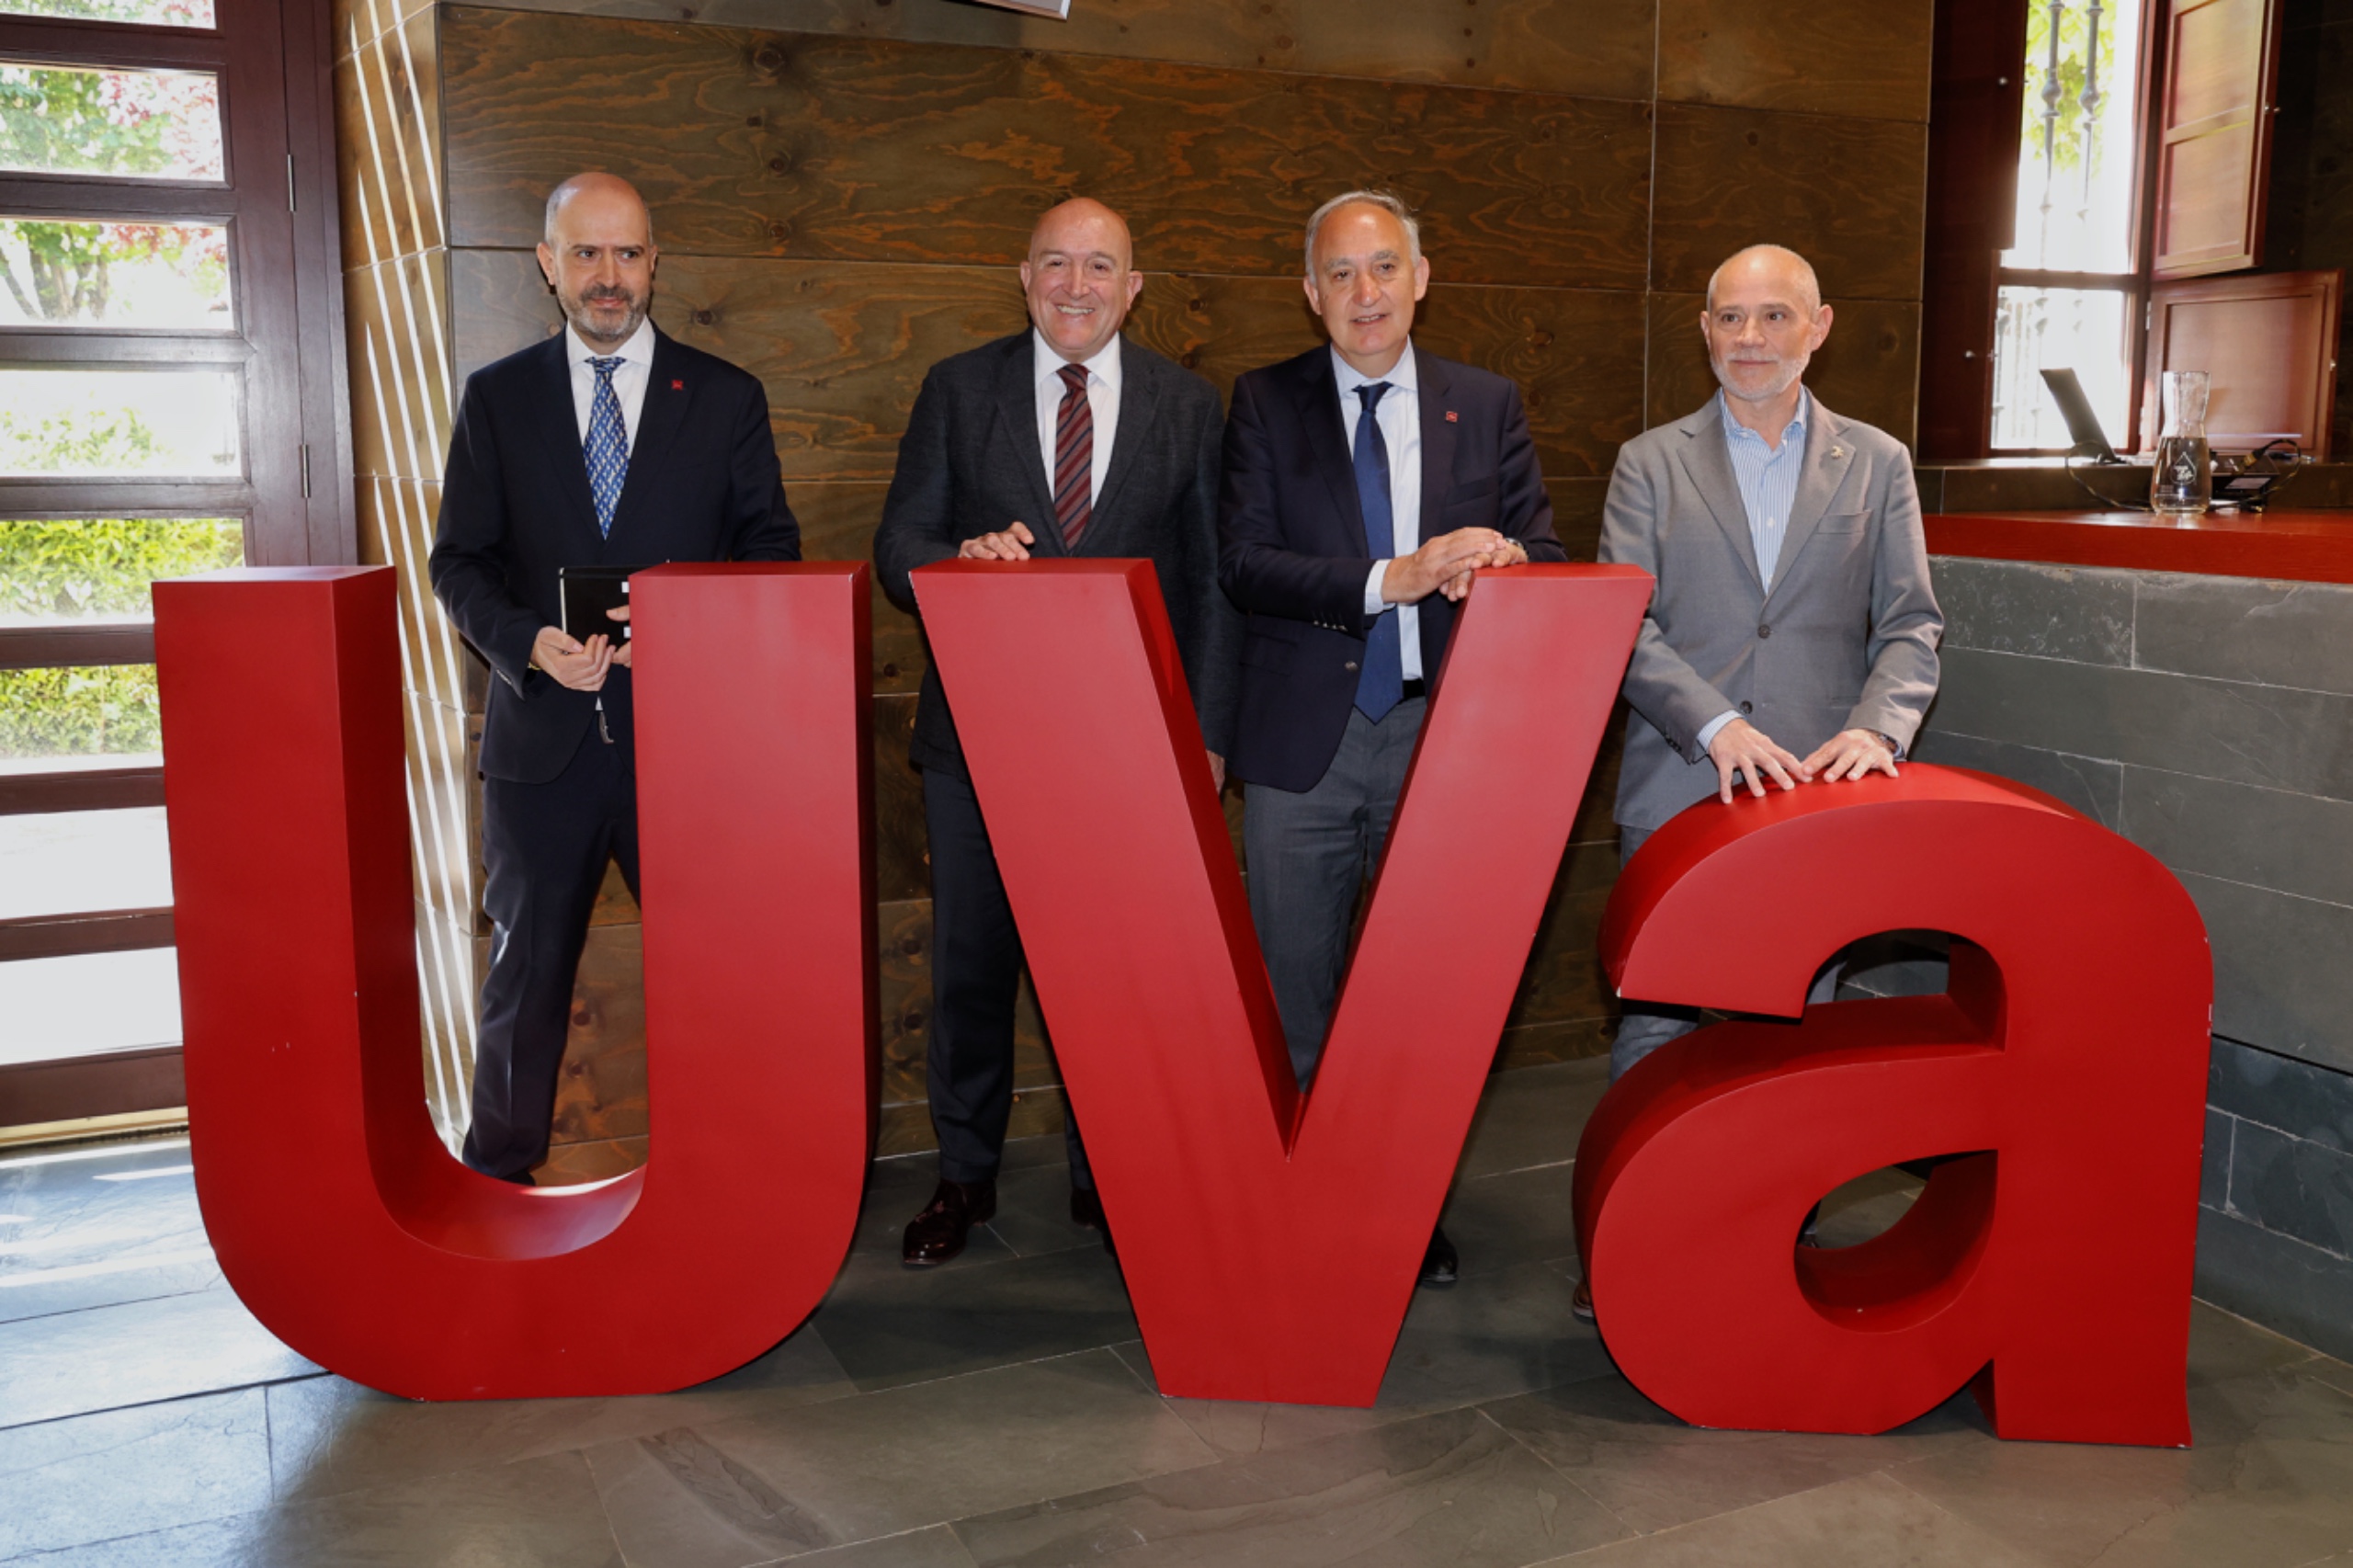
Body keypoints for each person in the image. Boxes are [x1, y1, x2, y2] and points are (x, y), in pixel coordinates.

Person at [873, 198, 1239, 1267]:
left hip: (1131, 752)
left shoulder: (1188, 404)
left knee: (1112, 976)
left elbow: (1212, 584)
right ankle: (963, 1175)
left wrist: (1208, 735)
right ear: (1023, 276)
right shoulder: (959, 388)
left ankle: (1105, 1172)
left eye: (1099, 266)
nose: (1076, 286)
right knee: (970, 971)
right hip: (977, 747)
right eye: (1055, 264)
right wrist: (955, 559)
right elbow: (898, 542)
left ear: (1133, 287)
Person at [1583, 243, 1943, 1316]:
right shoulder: (1648, 462)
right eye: (1730, 317)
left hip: (1813, 799)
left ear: (1817, 327)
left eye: (1773, 316)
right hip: (1677, 782)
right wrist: (1716, 723)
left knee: (1793, 1025)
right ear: (1703, 330)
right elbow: (1624, 623)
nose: (1750, 338)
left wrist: (1877, 729)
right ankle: (1625, 1255)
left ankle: (1771, 1252)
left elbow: (1910, 625)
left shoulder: (1877, 462)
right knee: (1655, 1025)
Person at [1218, 189, 1566, 1289]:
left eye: (1382, 268)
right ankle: (1302, 1201)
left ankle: (1401, 1206)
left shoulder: (1486, 401)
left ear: (1420, 278)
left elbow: (1548, 552)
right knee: (1294, 990)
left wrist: (1507, 564)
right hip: (1303, 748)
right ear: (1308, 292)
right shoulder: (1264, 402)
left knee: (1423, 996)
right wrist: (1393, 577)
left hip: (1442, 739)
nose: (1362, 292)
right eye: (1339, 273)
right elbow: (1244, 563)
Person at [429, 173, 801, 1185]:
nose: (608, 275)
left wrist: (688, 633)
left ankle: (728, 1179)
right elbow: (458, 561)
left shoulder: (724, 397)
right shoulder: (498, 398)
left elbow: (772, 554)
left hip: (686, 749)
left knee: (716, 976)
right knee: (522, 983)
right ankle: (496, 1184)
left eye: (627, 253)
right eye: (586, 253)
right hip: (541, 747)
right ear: (546, 264)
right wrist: (525, 642)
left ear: (654, 264)